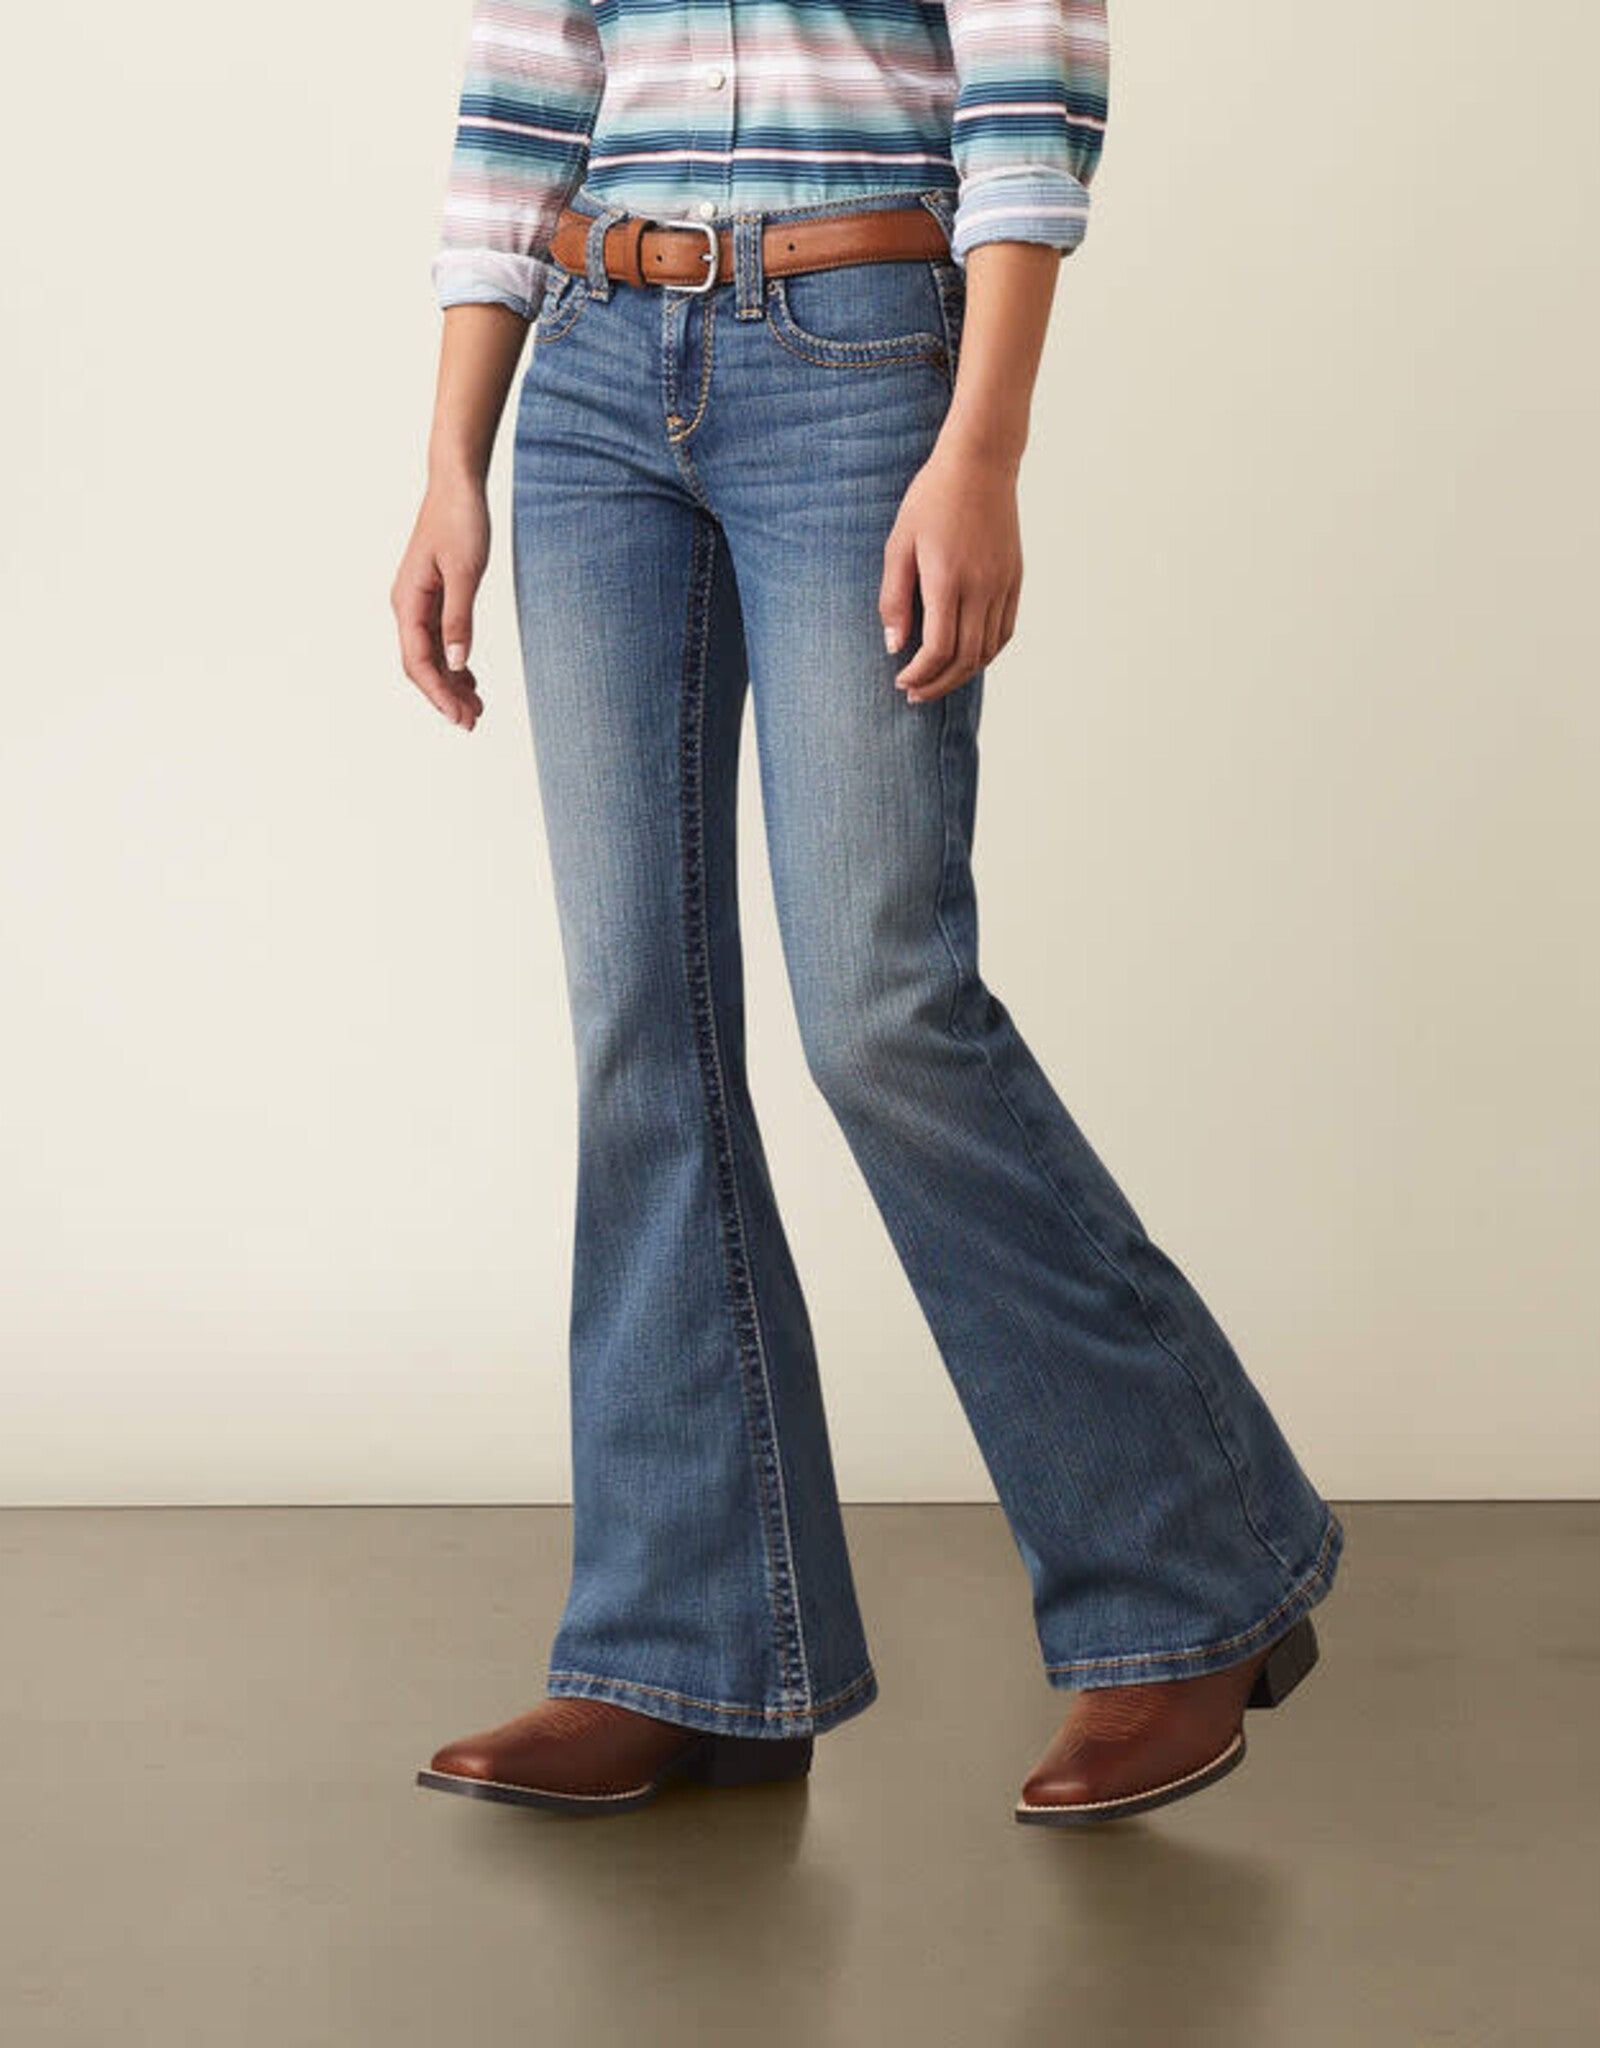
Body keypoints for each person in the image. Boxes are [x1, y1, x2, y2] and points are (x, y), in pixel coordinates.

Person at [394, 0, 1345, 1827]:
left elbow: (1030, 86)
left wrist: (981, 450)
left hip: (860, 352)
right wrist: (451, 452)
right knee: (637, 1027)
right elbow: (527, 94)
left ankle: (1189, 1582)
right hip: (591, 375)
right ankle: (691, 1652)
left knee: (883, 1007)